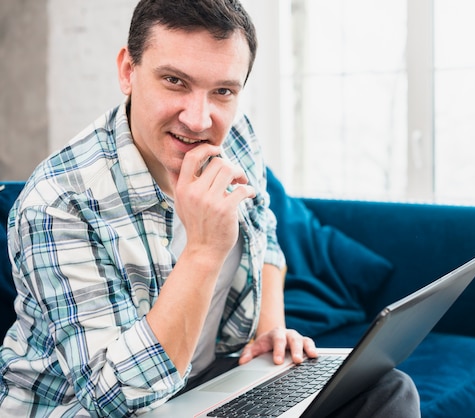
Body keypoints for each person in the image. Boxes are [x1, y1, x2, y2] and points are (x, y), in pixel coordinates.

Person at [0, 0, 421, 416]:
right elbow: (111, 398)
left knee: (386, 389)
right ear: (128, 71)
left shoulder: (234, 137)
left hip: (204, 381)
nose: (199, 120)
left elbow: (266, 234)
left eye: (222, 91)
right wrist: (204, 250)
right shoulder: (58, 202)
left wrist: (270, 330)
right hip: (91, 407)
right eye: (175, 81)